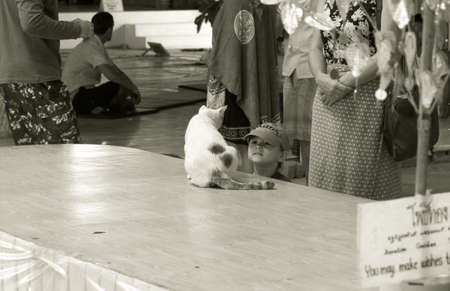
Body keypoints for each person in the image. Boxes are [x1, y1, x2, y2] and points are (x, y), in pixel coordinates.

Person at [308, 0, 402, 200]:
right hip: (328, 97)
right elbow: (315, 47)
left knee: (362, 176)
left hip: (367, 96)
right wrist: (319, 76)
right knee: (325, 175)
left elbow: (389, 50)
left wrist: (347, 83)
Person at [0, 0, 93, 145]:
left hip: (10, 73)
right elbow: (32, 22)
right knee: (62, 149)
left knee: (30, 153)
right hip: (36, 74)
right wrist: (78, 29)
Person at [207, 0, 281, 173]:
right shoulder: (268, 4)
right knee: (244, 139)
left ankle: (243, 179)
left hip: (237, 76)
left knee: (239, 143)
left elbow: (223, 46)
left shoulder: (240, 3)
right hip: (251, 78)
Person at [62, 12, 141, 115]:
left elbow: (115, 70)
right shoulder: (92, 46)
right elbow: (112, 75)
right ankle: (99, 107)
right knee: (116, 86)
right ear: (109, 30)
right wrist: (133, 88)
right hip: (75, 99)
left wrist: (131, 87)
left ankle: (101, 107)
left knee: (122, 84)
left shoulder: (95, 44)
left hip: (80, 95)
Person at [282, 0, 318, 183]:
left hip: (309, 67)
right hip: (292, 65)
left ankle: (312, 183)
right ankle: (308, 180)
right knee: (296, 133)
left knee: (309, 134)